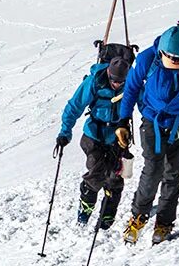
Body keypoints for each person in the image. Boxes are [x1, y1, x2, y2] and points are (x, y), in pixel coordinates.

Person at [117, 25, 179, 245]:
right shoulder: (146, 59)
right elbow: (131, 88)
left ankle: (164, 222)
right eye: (169, 57)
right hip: (152, 121)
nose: (174, 62)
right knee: (152, 170)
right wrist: (123, 121)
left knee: (172, 173)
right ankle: (138, 216)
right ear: (160, 52)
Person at [55, 56, 131, 228]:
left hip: (118, 138)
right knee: (96, 172)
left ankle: (107, 216)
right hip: (93, 136)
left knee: (115, 178)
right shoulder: (94, 81)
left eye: (121, 82)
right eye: (114, 80)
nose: (117, 85)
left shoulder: (131, 83)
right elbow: (74, 106)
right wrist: (64, 132)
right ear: (108, 74)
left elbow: (145, 102)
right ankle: (85, 209)